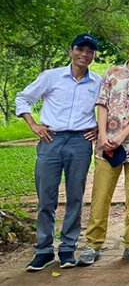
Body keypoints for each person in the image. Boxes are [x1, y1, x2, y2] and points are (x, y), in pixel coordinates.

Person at [16, 34, 101, 271]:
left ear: (94, 55)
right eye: (80, 49)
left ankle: (67, 249)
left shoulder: (98, 82)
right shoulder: (51, 77)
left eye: (90, 51)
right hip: (50, 140)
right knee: (46, 197)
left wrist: (98, 127)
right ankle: (43, 250)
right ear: (71, 50)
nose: (84, 54)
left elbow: (109, 108)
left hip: (80, 142)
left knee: (75, 197)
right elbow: (23, 97)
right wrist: (33, 124)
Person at [78, 33, 129, 265]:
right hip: (107, 145)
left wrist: (123, 135)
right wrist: (103, 135)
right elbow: (102, 103)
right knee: (100, 196)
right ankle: (93, 245)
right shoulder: (112, 72)